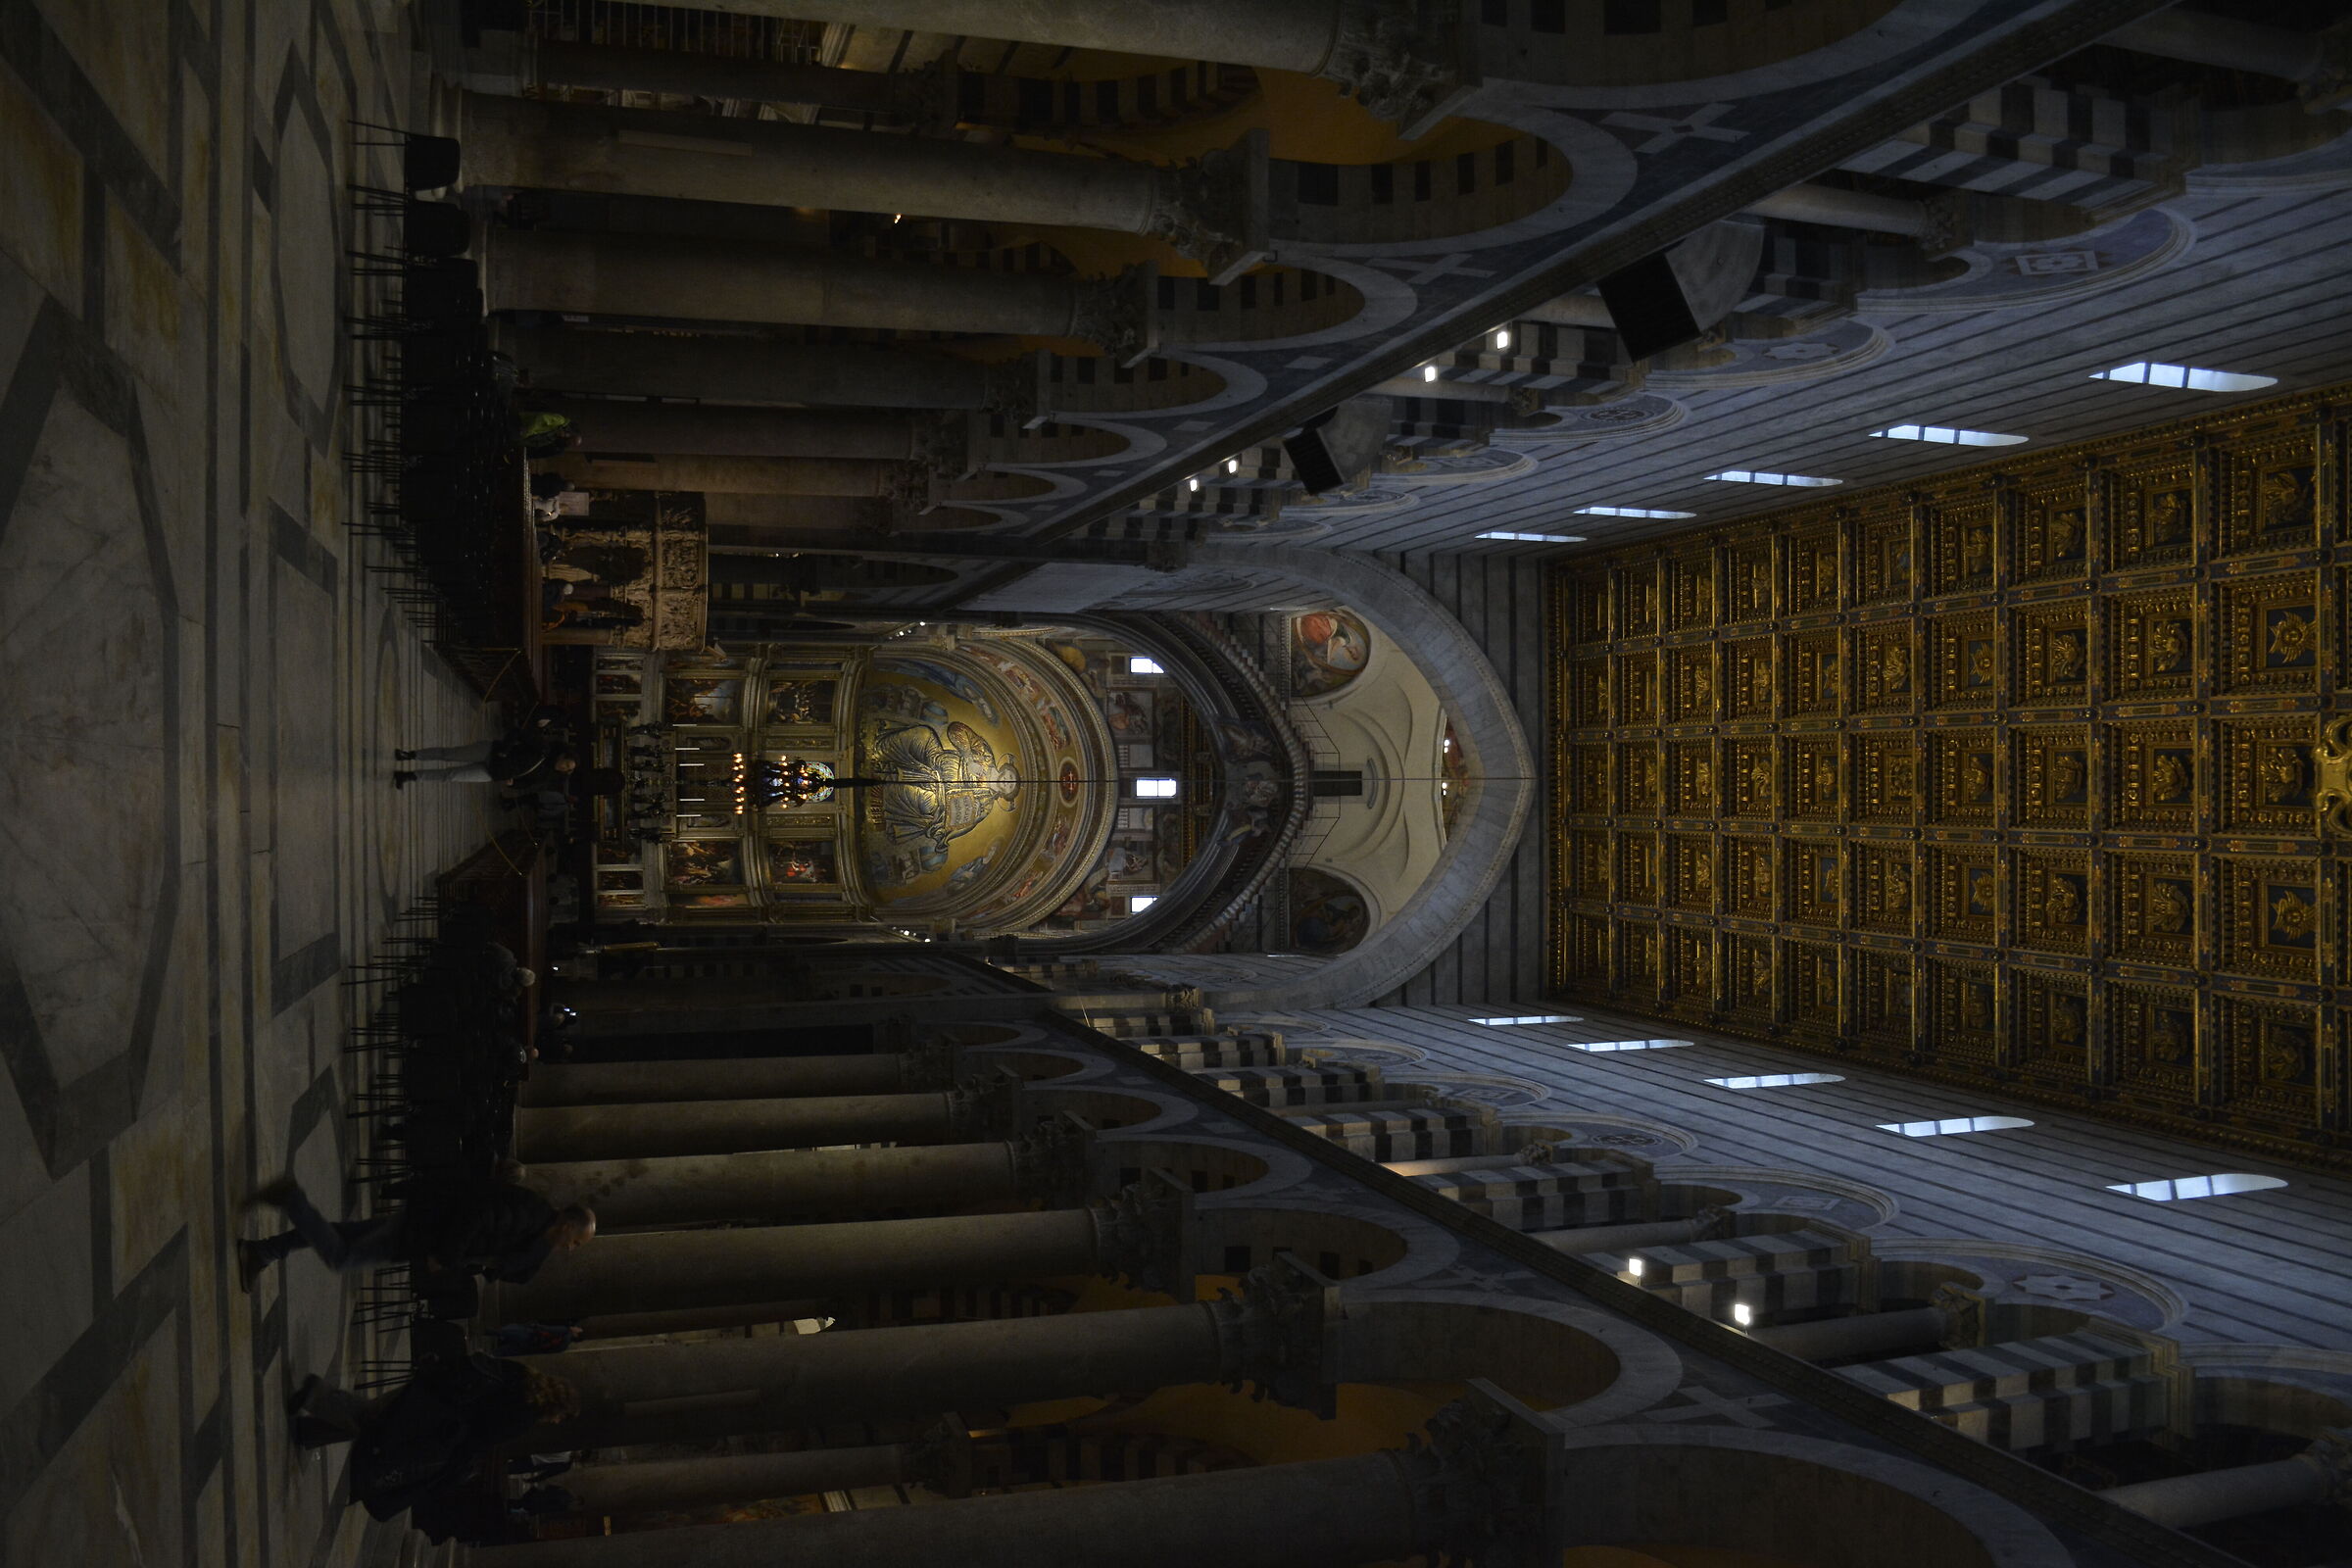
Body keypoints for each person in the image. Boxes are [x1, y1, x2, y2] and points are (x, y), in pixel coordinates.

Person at [290, 1356, 577, 1524]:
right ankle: (317, 1395)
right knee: (374, 1421)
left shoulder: (523, 1373)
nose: (554, 1423)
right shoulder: (524, 1416)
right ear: (555, 1410)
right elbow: (481, 1438)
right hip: (436, 1424)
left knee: (377, 1422)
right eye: (559, 1419)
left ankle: (310, 1432)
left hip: (433, 1394)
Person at [239, 1175, 594, 1288]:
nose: (571, 1249)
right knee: (341, 1256)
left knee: (342, 1235)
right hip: (426, 1228)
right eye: (576, 1241)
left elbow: (512, 1266)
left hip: (428, 1225)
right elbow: (476, 1217)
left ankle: (264, 1251)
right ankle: (292, 1199)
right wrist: (444, 1257)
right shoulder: (529, 1213)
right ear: (566, 1225)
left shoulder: (537, 1235)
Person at [394, 736, 575, 788]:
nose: (564, 768)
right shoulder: (543, 748)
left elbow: (527, 783)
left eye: (567, 769)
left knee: (451, 776)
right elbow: (517, 733)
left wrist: (513, 783)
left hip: (493, 773)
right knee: (448, 754)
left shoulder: (546, 775)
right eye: (567, 764)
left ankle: (410, 776)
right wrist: (504, 750)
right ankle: (410, 755)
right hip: (491, 752)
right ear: (562, 756)